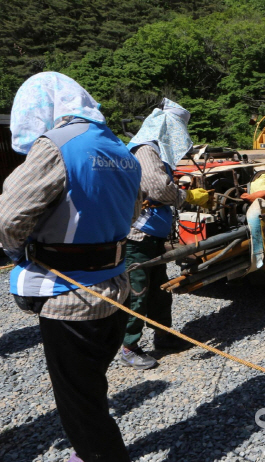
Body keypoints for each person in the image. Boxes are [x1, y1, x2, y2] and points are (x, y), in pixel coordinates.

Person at [0, 72, 142, 462]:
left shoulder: (57, 145)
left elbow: (9, 218)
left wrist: (19, 254)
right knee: (91, 383)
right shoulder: (120, 148)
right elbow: (131, 215)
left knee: (79, 403)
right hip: (115, 285)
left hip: (69, 295)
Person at [119, 98, 210, 370]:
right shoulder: (145, 150)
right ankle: (128, 345)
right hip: (137, 235)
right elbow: (158, 189)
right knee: (137, 291)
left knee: (159, 291)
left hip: (152, 236)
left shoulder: (155, 150)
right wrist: (187, 195)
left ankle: (164, 336)